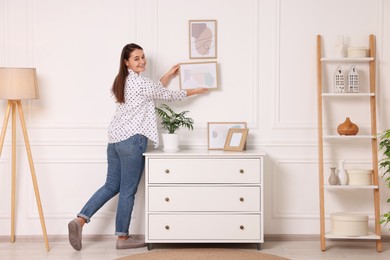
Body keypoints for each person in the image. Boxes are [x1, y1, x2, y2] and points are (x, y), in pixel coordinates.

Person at [68, 43, 208, 251]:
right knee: (127, 191)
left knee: (110, 186)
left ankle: (80, 220)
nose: (141, 61)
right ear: (126, 62)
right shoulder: (140, 83)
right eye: (136, 58)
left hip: (114, 140)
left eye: (142, 57)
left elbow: (155, 90)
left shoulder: (123, 81)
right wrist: (196, 90)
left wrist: (169, 74)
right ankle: (122, 238)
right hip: (132, 141)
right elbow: (166, 95)